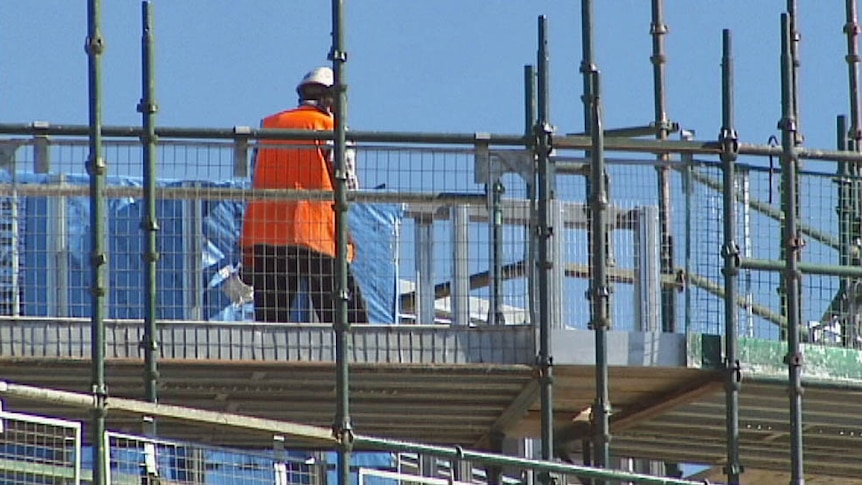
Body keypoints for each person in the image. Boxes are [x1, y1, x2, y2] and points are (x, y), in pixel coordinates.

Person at [240, 66, 368, 324]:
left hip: (269, 234)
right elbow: (348, 183)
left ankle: (271, 363)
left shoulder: (269, 126)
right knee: (346, 319)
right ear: (330, 98)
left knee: (270, 322)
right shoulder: (331, 126)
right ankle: (353, 360)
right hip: (316, 232)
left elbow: (256, 176)